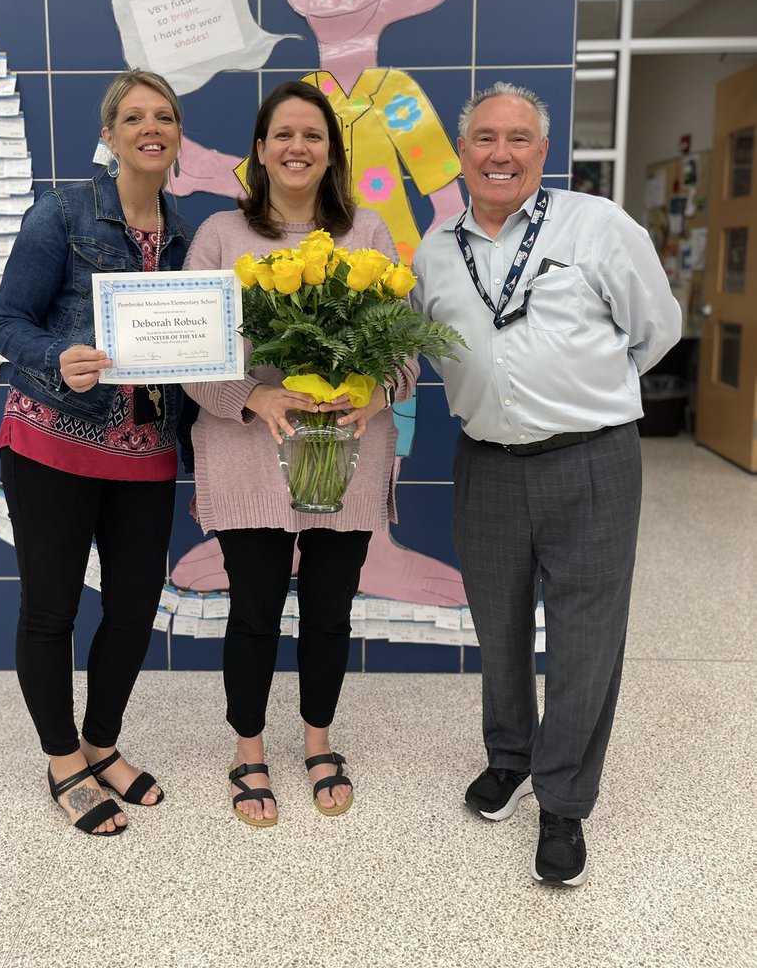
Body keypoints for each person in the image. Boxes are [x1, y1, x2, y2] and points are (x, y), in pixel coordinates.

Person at [411, 81, 681, 885]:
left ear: (542, 151)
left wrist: (587, 399)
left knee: (585, 640)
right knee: (497, 630)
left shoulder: (597, 226)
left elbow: (655, 330)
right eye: (484, 139)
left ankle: (564, 802)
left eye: (518, 139)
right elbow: (425, 350)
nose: (500, 153)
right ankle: (510, 758)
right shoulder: (433, 251)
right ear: (461, 155)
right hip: (486, 465)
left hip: (592, 460)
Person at [183, 79, 418, 826]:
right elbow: (192, 351)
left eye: (312, 136)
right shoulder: (221, 234)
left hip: (342, 455)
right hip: (248, 450)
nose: (296, 147)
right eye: (282, 134)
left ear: (331, 154)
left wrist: (375, 394)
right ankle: (248, 750)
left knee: (328, 611)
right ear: (259, 150)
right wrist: (254, 396)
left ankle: (319, 741)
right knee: (252, 610)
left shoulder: (368, 233)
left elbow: (406, 353)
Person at [0, 70, 193, 836]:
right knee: (52, 609)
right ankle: (62, 757)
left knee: (136, 609)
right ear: (108, 136)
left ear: (177, 137)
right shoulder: (63, 213)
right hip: (51, 443)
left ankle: (102, 743)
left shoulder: (185, 237)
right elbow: (5, 322)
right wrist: (56, 357)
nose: (151, 127)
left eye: (164, 116)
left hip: (147, 452)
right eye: (133, 116)